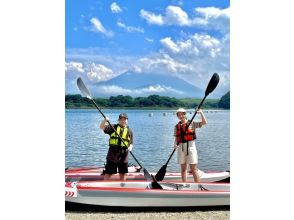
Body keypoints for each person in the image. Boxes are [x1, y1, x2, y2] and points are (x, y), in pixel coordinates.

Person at [174, 108, 207, 182]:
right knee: (183, 169)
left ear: (185, 114)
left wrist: (201, 113)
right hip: (180, 148)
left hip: (191, 147)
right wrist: (175, 145)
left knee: (193, 169)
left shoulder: (192, 123)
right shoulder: (176, 126)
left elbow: (204, 122)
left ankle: (198, 186)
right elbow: (176, 137)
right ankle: (184, 184)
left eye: (182, 114)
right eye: (178, 115)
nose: (180, 116)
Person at [99, 113, 134, 181]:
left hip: (124, 155)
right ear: (118, 120)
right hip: (112, 154)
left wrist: (130, 147)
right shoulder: (113, 127)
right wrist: (105, 120)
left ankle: (122, 186)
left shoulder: (130, 131)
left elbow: (131, 142)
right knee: (109, 172)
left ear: (127, 120)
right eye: (121, 119)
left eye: (124, 119)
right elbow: (101, 127)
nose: (123, 121)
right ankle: (105, 186)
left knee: (123, 173)